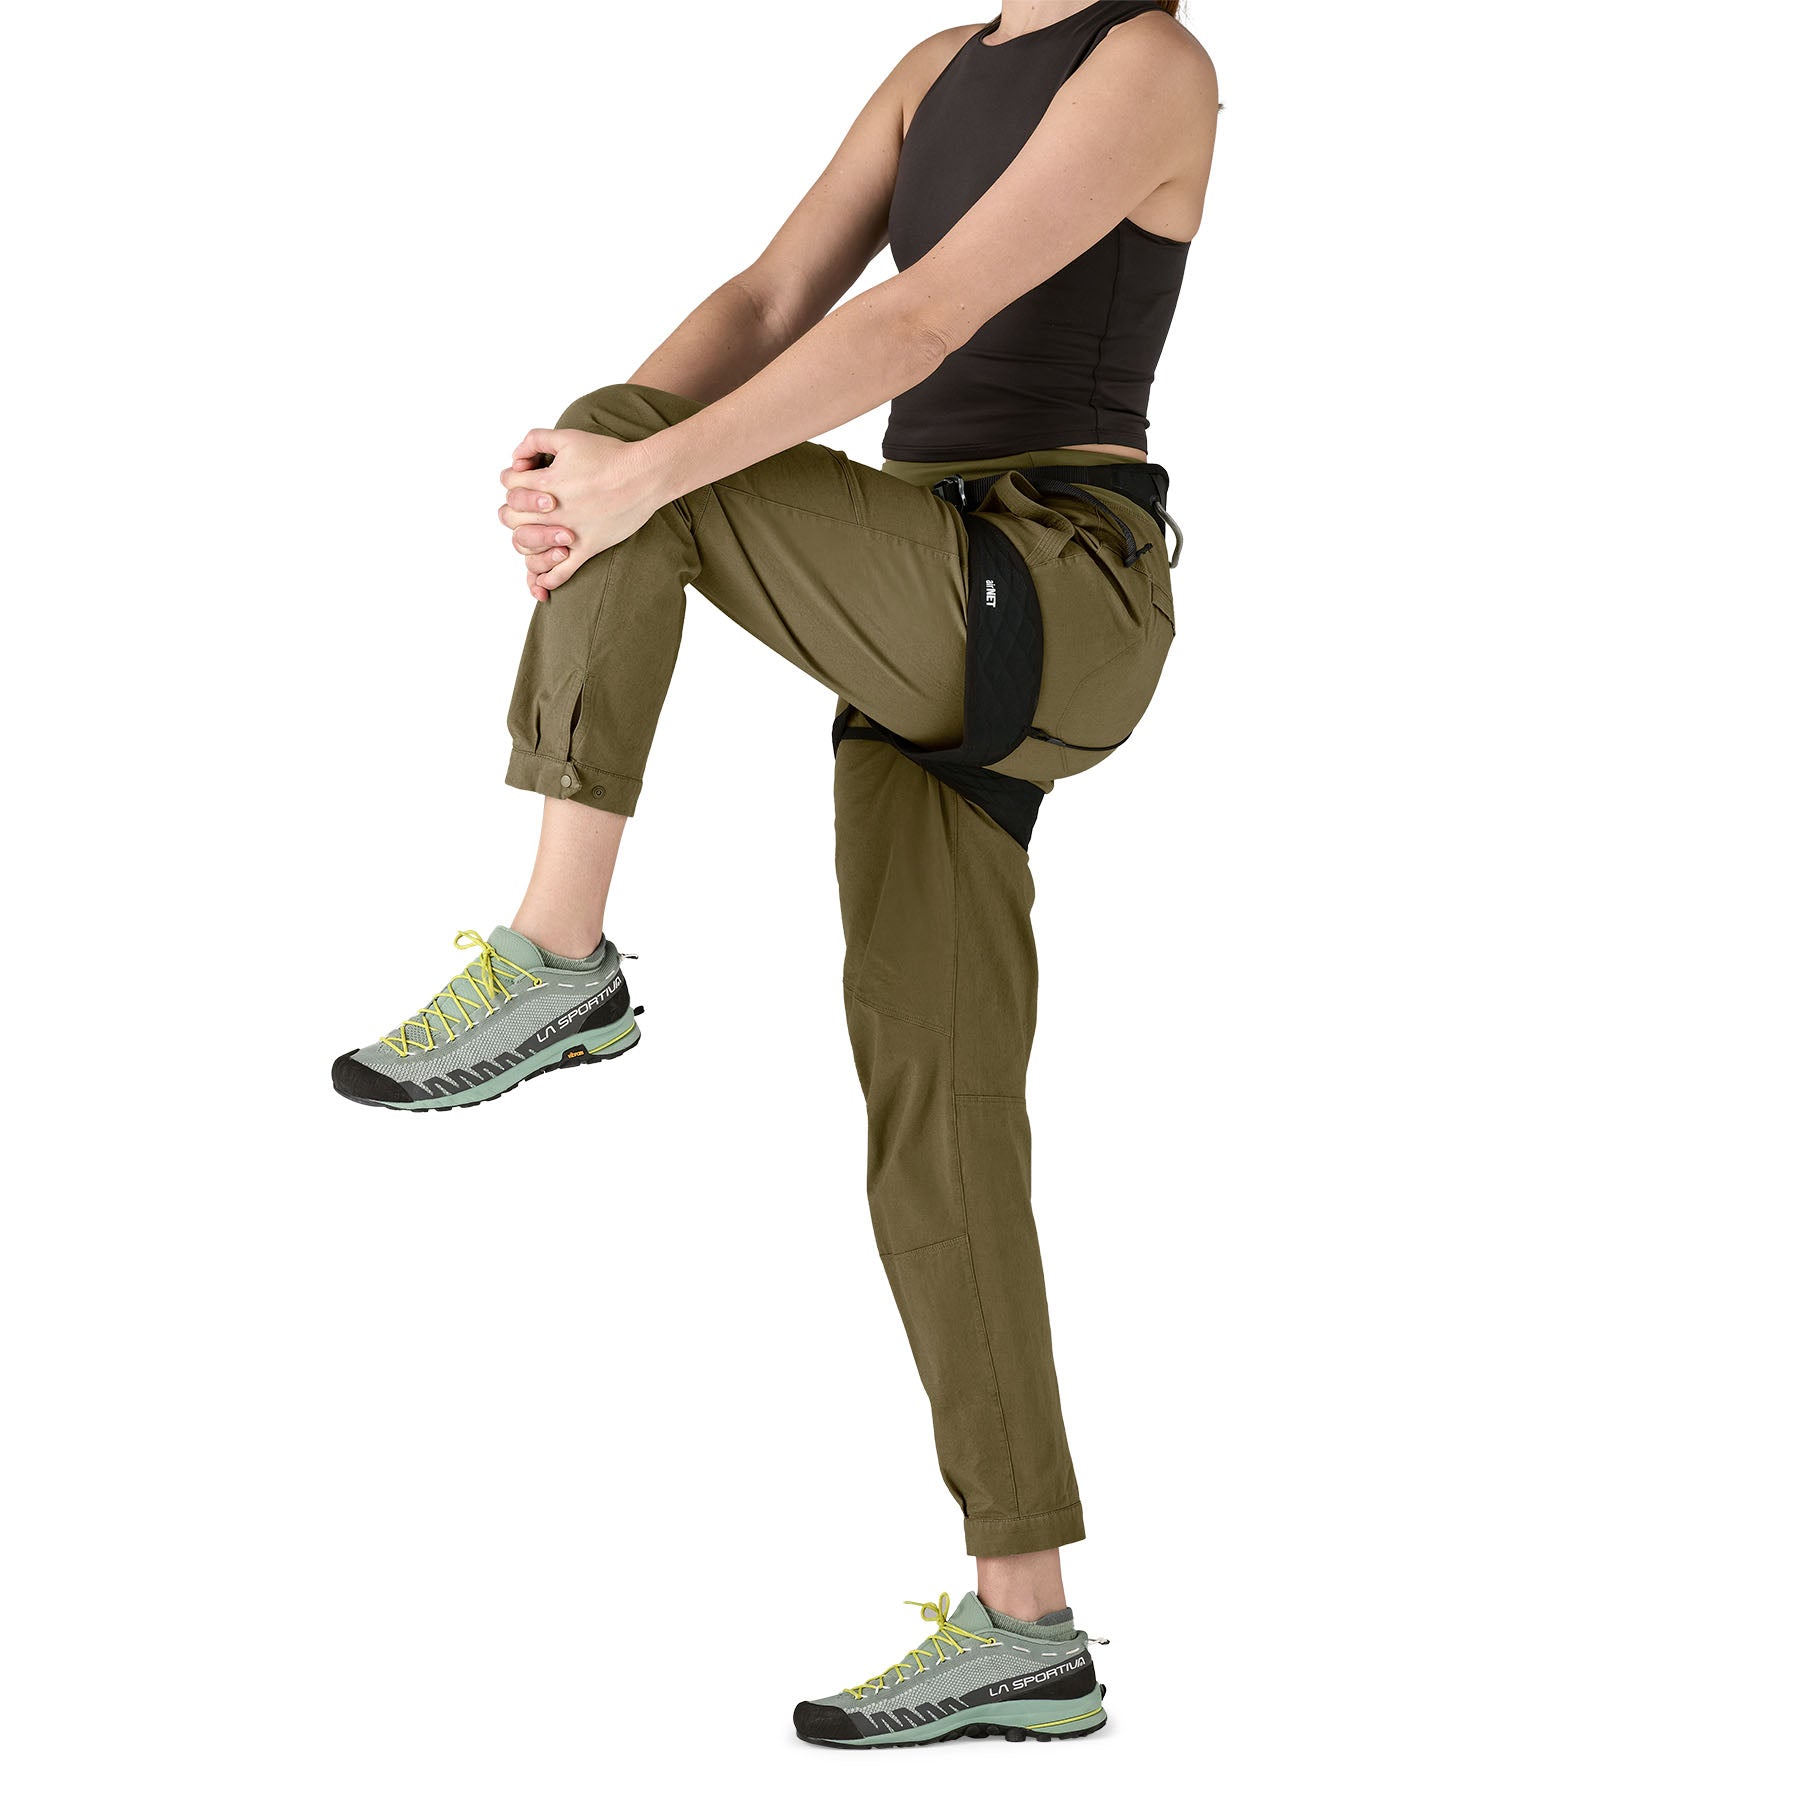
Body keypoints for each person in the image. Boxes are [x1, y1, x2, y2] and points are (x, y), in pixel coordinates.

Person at [331, 0, 1217, 1748]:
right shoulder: (936, 67)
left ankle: (559, 959)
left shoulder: (1151, 62)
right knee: (936, 1115)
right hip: (918, 595)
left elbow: (917, 316)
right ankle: (1027, 1629)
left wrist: (641, 470)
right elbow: (764, 303)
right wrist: (582, 478)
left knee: (642, 446)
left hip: (1054, 580)